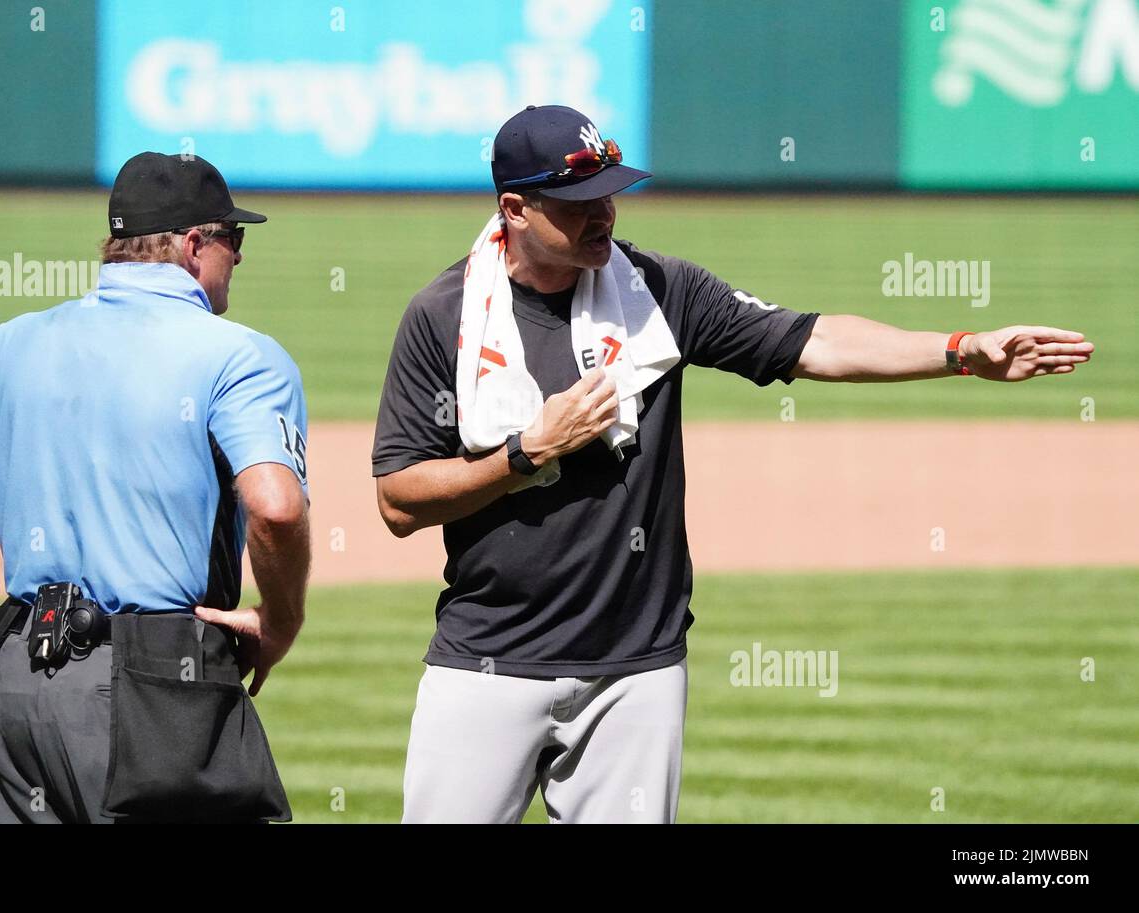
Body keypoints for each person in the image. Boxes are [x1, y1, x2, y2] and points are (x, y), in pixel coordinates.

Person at [372, 105, 1094, 824]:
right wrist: (526, 453)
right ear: (515, 208)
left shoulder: (656, 291)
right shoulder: (444, 317)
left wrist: (960, 351)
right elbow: (400, 501)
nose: (604, 215)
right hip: (485, 661)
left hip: (637, 671)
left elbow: (814, 342)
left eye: (609, 195)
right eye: (578, 203)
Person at [0, 152, 311, 823]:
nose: (238, 258)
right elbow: (274, 506)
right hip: (156, 689)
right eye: (233, 240)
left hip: (16, 685)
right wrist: (281, 621)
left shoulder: (10, 344)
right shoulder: (239, 355)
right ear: (192, 245)